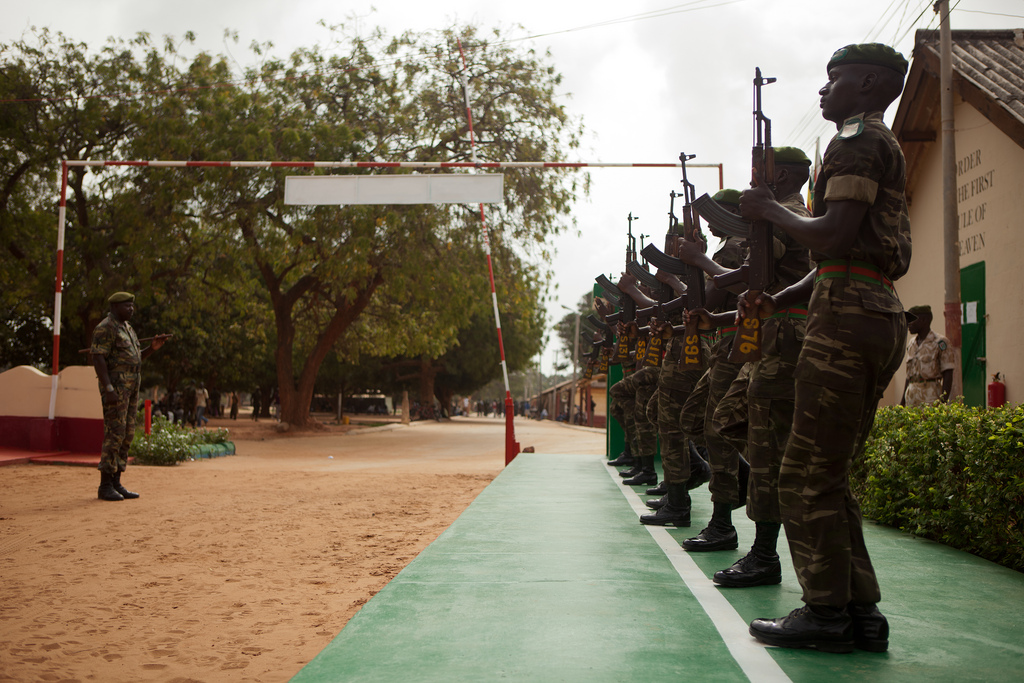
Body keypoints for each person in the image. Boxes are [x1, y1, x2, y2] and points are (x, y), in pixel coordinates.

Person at [738, 43, 911, 653]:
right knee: (830, 474)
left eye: (834, 79)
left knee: (804, 472)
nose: (823, 90)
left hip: (846, 318)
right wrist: (779, 301)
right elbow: (836, 253)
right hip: (862, 305)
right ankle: (859, 613)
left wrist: (766, 211)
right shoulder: (871, 141)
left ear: (868, 84)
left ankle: (824, 614)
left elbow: (832, 234)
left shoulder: (856, 142)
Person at [90, 291, 170, 501]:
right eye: (127, 306)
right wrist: (108, 389)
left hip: (131, 388)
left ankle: (117, 482)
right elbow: (98, 358)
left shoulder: (128, 329)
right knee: (114, 434)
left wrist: (152, 349)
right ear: (115, 307)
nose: (131, 309)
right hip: (116, 390)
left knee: (126, 434)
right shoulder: (105, 327)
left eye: (132, 306)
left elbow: (136, 359)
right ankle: (105, 485)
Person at [901, 304, 954, 406]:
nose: (908, 324)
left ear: (923, 320)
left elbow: (948, 374)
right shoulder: (911, 344)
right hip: (911, 398)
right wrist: (902, 403)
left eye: (912, 320)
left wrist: (943, 403)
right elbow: (909, 377)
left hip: (930, 397)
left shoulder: (940, 342)